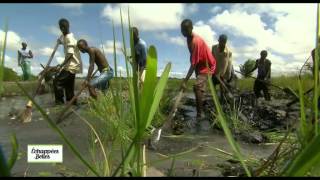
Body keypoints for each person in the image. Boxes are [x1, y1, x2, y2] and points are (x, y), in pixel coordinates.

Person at [180, 19, 216, 121]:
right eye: (182, 30)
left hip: (207, 66)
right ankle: (201, 105)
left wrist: (185, 81)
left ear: (191, 28)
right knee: (199, 87)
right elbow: (193, 58)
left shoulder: (196, 41)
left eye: (186, 30)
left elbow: (193, 64)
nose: (183, 32)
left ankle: (200, 115)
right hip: (200, 65)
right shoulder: (188, 38)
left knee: (197, 87)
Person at [53, 18, 83, 105]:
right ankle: (72, 102)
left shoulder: (69, 38)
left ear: (64, 27)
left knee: (57, 82)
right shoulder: (68, 37)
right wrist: (60, 42)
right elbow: (68, 43)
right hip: (73, 66)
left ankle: (59, 103)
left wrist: (61, 65)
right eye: (61, 28)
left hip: (71, 66)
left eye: (63, 28)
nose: (62, 29)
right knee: (68, 86)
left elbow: (70, 55)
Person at [211, 34, 233, 102]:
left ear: (226, 42)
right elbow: (211, 58)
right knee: (213, 85)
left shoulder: (228, 52)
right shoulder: (213, 48)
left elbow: (227, 65)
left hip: (223, 71)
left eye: (224, 42)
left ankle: (222, 100)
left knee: (222, 86)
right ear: (218, 40)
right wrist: (212, 70)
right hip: (215, 70)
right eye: (221, 41)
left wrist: (221, 74)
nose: (222, 44)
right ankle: (214, 99)